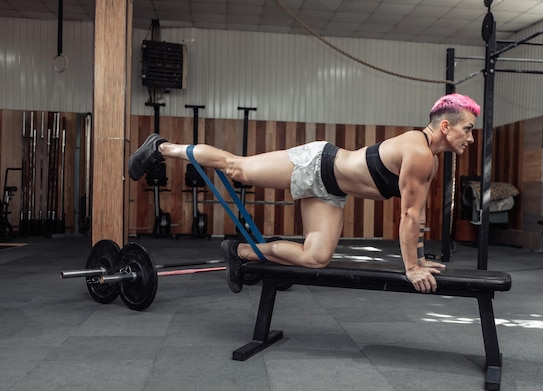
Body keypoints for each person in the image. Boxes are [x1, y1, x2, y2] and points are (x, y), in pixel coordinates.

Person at [128, 93, 480, 294]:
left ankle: (240, 252)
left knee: (316, 259)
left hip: (329, 190)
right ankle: (162, 148)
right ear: (446, 126)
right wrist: (410, 268)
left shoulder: (430, 161)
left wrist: (419, 260)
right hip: (314, 163)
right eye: (468, 128)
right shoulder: (418, 153)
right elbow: (409, 215)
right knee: (238, 168)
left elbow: (414, 216)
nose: (471, 137)